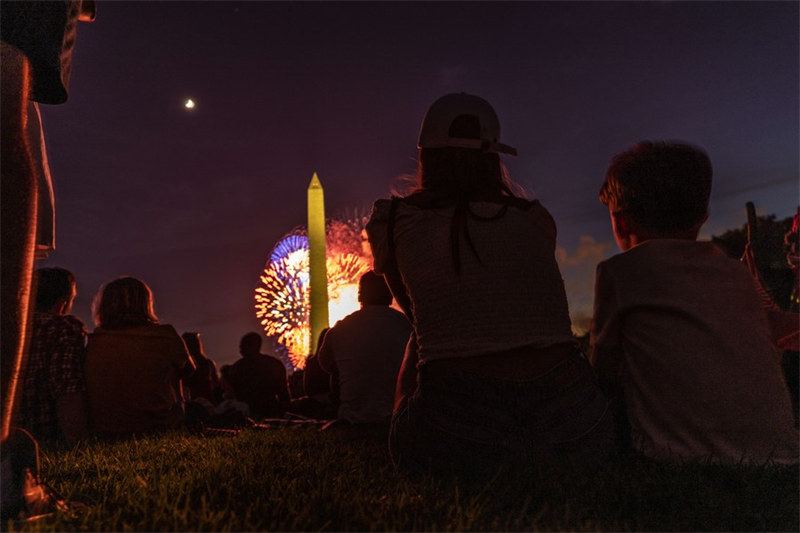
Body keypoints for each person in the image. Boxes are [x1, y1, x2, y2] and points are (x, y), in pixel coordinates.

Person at [366, 93, 613, 477]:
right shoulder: (536, 218)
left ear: (426, 157)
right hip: (576, 420)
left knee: (422, 338)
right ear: (494, 157)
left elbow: (417, 316)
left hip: (455, 428)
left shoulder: (392, 220)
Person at [590, 141, 799, 463]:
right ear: (702, 216)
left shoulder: (619, 273)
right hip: (779, 454)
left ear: (621, 222)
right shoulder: (735, 273)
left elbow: (603, 370)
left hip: (677, 458)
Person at [84, 277, 195, 437]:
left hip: (106, 431)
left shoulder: (96, 340)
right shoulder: (164, 335)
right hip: (157, 426)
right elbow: (188, 371)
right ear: (146, 304)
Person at [317, 271, 412, 425]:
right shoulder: (408, 326)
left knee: (337, 367)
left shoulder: (339, 329)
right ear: (390, 294)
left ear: (360, 295)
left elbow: (326, 365)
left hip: (352, 419)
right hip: (398, 419)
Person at [14, 268, 88, 446]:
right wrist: (78, 445)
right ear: (62, 304)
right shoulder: (61, 329)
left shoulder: (9, 328)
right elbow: (67, 389)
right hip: (45, 440)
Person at [227, 333, 290, 419]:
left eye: (243, 346)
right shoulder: (274, 364)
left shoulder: (237, 368)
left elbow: (233, 394)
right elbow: (283, 391)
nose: (240, 350)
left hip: (249, 411)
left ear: (254, 346)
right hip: (272, 409)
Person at [181, 332, 221, 404]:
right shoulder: (208, 363)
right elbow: (216, 384)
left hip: (192, 401)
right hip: (209, 400)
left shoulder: (184, 365)